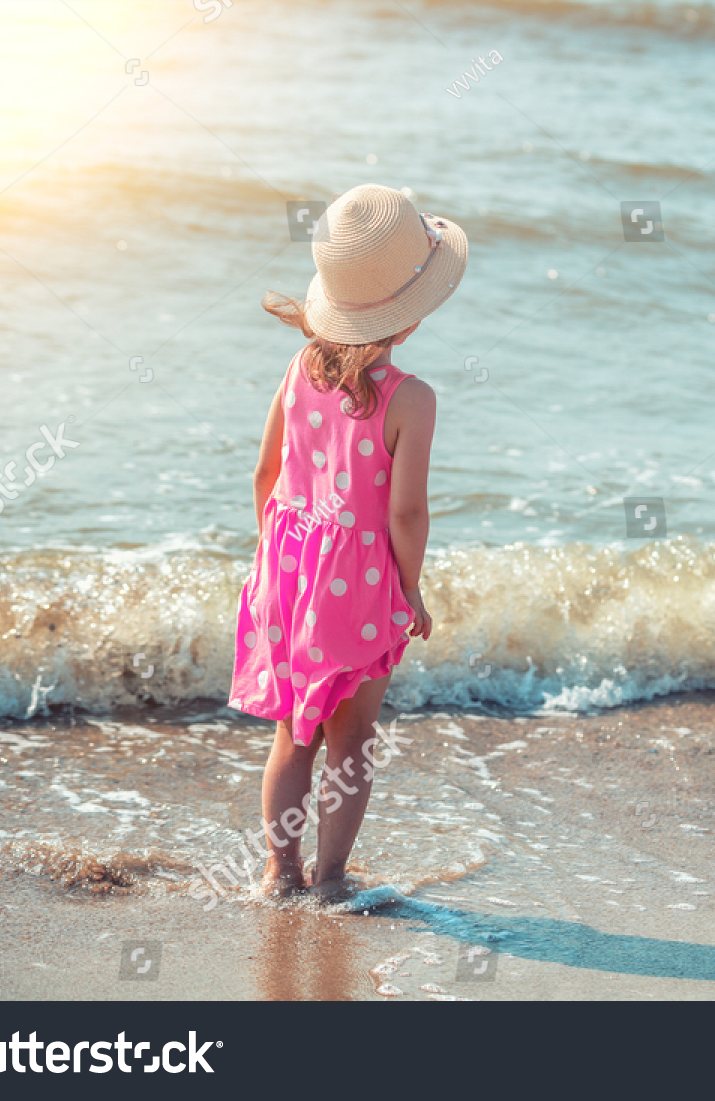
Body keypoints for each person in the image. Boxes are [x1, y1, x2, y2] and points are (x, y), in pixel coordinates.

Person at [227, 184, 467, 898]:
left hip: (287, 563)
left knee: (292, 734)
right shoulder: (411, 399)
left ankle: (280, 870)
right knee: (353, 736)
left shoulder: (298, 368)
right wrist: (411, 586)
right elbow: (406, 514)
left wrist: (272, 557)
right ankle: (330, 878)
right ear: (410, 315)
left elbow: (265, 471)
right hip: (356, 581)